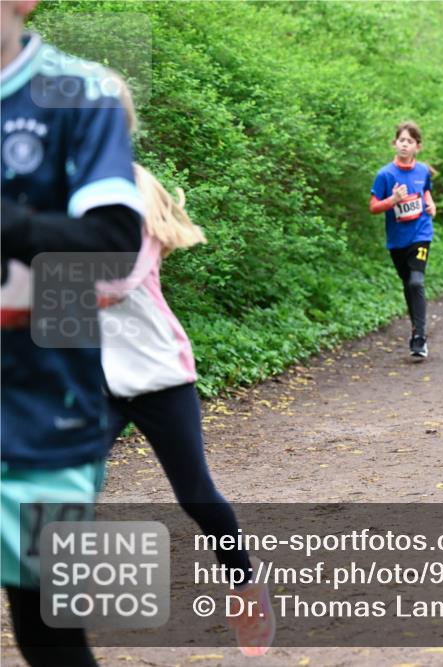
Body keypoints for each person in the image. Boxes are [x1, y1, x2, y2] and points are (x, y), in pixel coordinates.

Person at [96, 80, 275, 656]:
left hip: (159, 377)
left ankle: (245, 590)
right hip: (94, 383)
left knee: (195, 496)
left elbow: (110, 281)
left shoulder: (131, 191)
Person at [1, 4, 143, 664]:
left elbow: (113, 248)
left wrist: (15, 228)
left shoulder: (79, 93)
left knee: (46, 631)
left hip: (43, 408)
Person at [369, 121, 437, 360]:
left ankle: (419, 338)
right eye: (401, 140)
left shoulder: (422, 171)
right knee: (408, 283)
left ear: (418, 146)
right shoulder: (385, 175)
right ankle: (416, 328)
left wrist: (431, 203)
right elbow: (374, 207)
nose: (405, 145)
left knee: (417, 282)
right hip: (398, 241)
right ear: (394, 143)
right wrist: (393, 200)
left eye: (410, 141)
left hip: (421, 234)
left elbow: (425, 192)